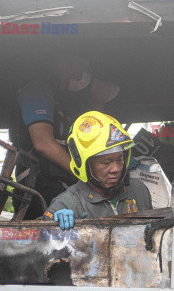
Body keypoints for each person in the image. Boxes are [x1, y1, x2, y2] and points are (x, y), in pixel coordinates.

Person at [10, 55, 120, 219]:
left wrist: (98, 100)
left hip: (60, 183)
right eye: (85, 67)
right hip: (39, 186)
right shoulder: (37, 90)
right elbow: (43, 142)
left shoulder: (62, 98)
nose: (86, 74)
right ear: (67, 64)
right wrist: (84, 174)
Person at [43, 111, 152, 230]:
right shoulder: (67, 204)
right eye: (106, 162)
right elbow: (37, 241)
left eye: (119, 159)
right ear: (86, 165)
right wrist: (52, 225)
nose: (115, 169)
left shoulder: (139, 189)